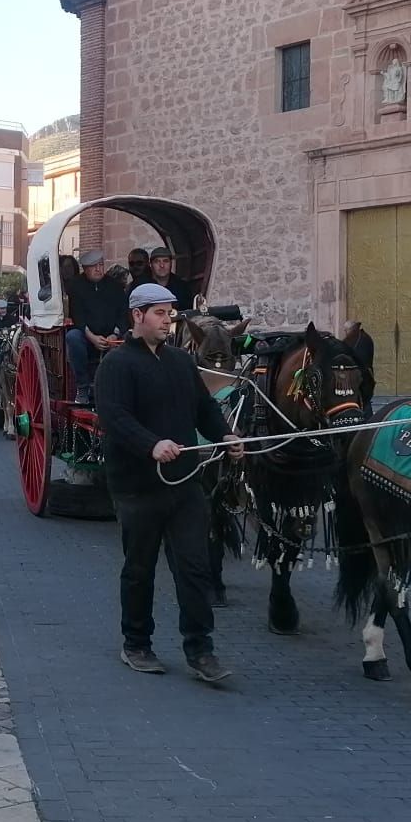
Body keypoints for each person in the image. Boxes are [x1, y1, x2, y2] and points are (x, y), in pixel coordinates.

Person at [94, 282, 238, 685]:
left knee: (194, 568)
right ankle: (136, 643)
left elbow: (204, 409)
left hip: (185, 482)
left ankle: (201, 650)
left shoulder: (180, 362)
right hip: (138, 486)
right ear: (137, 316)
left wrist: (225, 436)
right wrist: (151, 444)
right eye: (160, 313)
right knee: (139, 568)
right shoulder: (117, 364)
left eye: (171, 314)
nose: (168, 322)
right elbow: (114, 417)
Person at [64, 251, 129, 405]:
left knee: (132, 339)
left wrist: (115, 334)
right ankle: (83, 387)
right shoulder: (76, 286)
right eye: (94, 267)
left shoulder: (114, 286)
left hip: (112, 336)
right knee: (72, 337)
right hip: (86, 336)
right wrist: (91, 337)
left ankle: (121, 389)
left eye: (101, 265)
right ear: (85, 269)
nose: (99, 269)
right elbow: (77, 315)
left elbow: (123, 314)